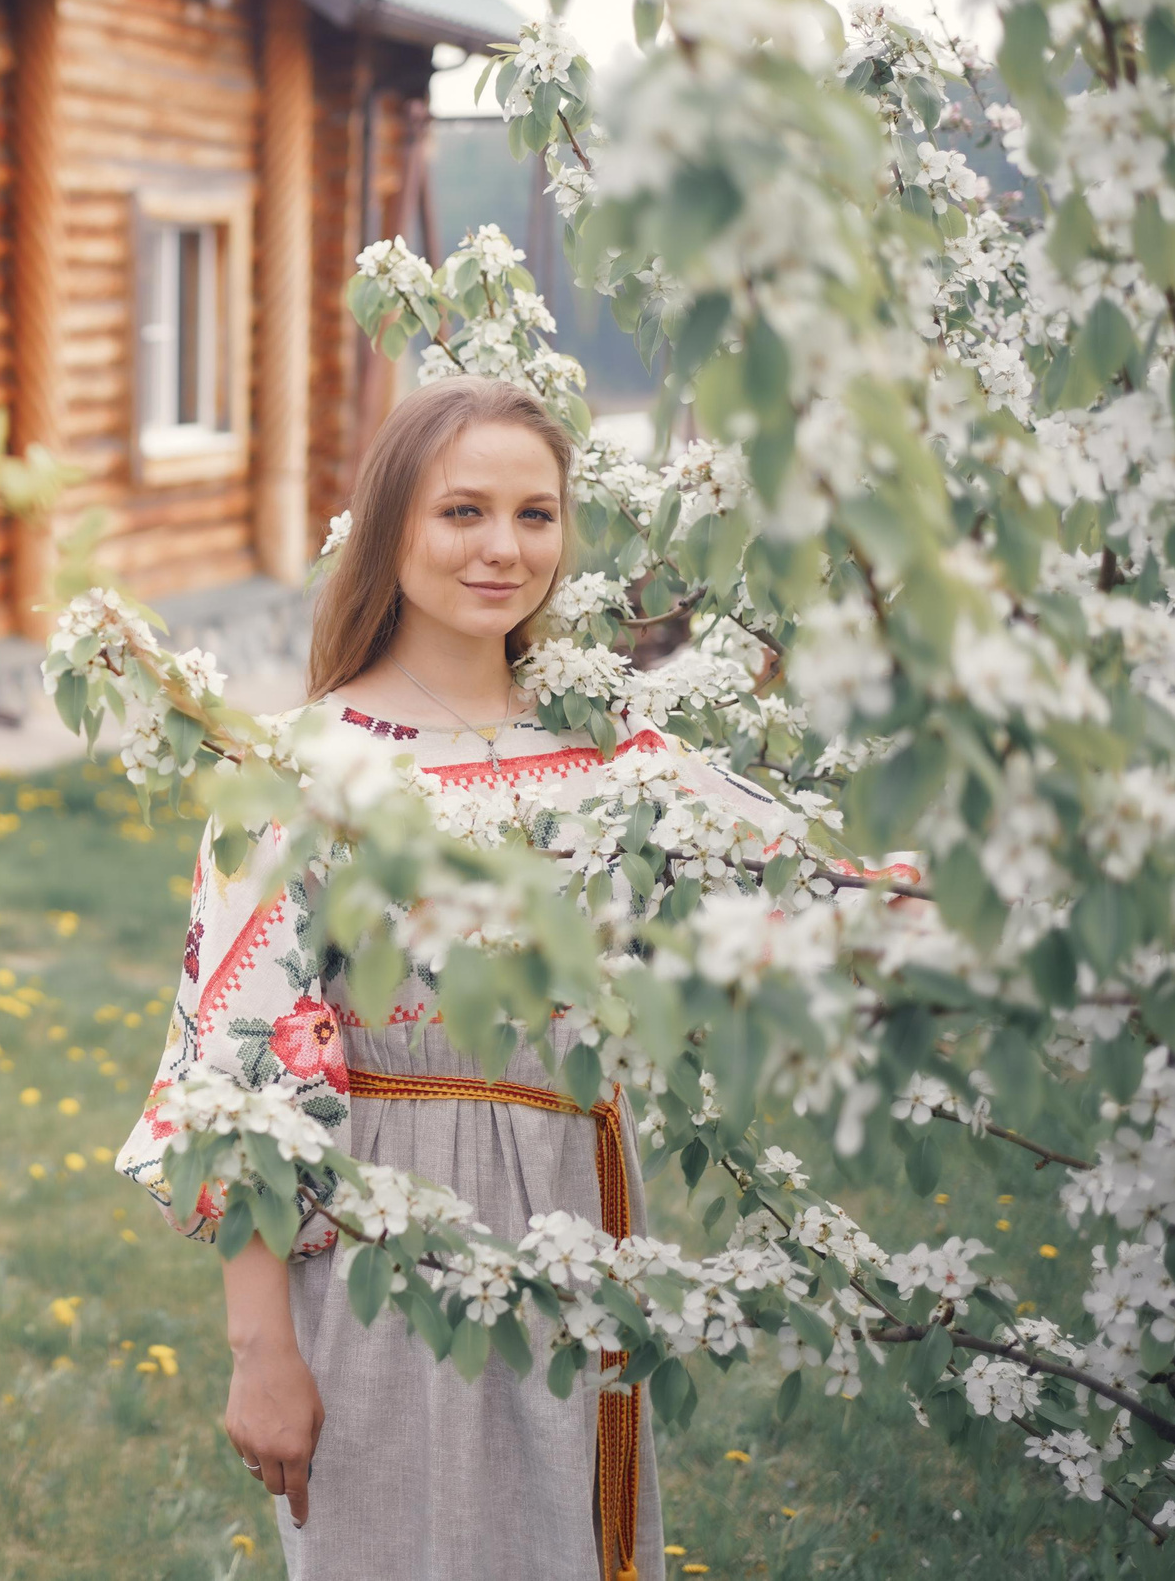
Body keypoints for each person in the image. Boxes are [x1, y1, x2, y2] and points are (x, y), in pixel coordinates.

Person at [114, 375, 779, 1581]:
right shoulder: (307, 770)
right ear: (391, 528)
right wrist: (258, 1350)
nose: (502, 548)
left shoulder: (610, 743)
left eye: (535, 515)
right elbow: (231, 1090)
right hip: (387, 1230)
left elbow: (813, 883)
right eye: (461, 511)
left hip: (579, 1207)